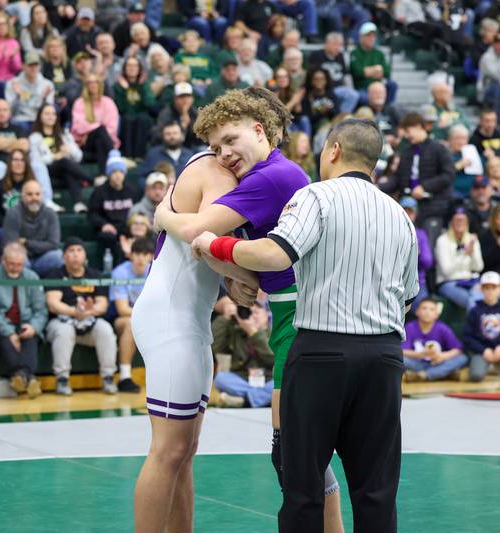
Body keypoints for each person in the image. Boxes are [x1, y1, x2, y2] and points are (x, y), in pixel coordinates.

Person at [191, 118, 418, 531]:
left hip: (322, 354)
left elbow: (276, 254)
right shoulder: (399, 215)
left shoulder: (316, 196)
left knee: (302, 486)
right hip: (385, 357)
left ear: (332, 150)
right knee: (376, 490)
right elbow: (407, 296)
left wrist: (214, 243)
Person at [153, 88, 346, 532]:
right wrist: (243, 280)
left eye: (231, 139)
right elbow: (260, 254)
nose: (223, 154)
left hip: (299, 321)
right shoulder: (276, 175)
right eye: (216, 147)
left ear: (260, 130)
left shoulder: (271, 178)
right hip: (288, 314)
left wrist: (163, 213)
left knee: (295, 453)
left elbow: (197, 231)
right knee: (297, 452)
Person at [45, 237, 118, 396]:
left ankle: (108, 377)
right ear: (64, 256)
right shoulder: (56, 275)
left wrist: (88, 312)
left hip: (88, 321)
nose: (75, 255)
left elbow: (102, 304)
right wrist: (74, 312)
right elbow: (53, 303)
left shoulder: (94, 274)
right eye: (71, 251)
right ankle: (62, 379)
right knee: (64, 331)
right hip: (60, 322)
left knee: (105, 329)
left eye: (79, 251)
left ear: (85, 255)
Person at [0, 242, 46, 399]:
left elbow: (41, 310)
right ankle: (30, 377)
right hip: (1, 326)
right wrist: (9, 333)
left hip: (25, 323)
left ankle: (19, 376)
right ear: (3, 260)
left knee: (30, 339)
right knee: (4, 340)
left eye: (19, 265)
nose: (15, 268)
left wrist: (34, 327)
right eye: (11, 264)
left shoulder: (32, 277)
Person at [386, 112, 454, 245]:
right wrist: (378, 187)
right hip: (408, 209)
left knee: (427, 249)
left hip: (433, 207)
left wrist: (425, 187)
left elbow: (448, 175)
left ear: (418, 127)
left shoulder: (439, 149)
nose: (406, 135)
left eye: (408, 130)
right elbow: (398, 179)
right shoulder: (406, 152)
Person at [109, 237, 155, 393]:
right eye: (137, 254)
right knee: (131, 323)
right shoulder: (120, 272)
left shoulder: (155, 271)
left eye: (145, 254)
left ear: (151, 256)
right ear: (131, 255)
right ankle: (125, 377)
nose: (141, 258)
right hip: (121, 320)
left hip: (148, 317)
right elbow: (122, 309)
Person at [212, 301, 275, 407]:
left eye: (256, 312)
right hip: (243, 379)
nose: (252, 316)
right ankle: (262, 398)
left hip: (269, 379)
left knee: (282, 383)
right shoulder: (237, 332)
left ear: (266, 314)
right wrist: (225, 318)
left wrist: (254, 333)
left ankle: (244, 401)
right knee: (220, 379)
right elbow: (216, 346)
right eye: (249, 313)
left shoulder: (274, 332)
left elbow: (273, 359)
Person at [29, 103, 89, 213]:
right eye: (47, 114)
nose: (50, 116)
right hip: (47, 174)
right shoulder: (34, 137)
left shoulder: (64, 135)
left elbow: (79, 157)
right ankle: (91, 179)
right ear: (40, 116)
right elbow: (35, 162)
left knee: (68, 171)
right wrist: (55, 157)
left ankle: (78, 204)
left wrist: (70, 150)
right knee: (64, 162)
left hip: (64, 173)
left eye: (53, 114)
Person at [2, 180, 64, 276]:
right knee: (16, 258)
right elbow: (11, 245)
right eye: (29, 194)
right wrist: (41, 246)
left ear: (42, 196)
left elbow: (53, 244)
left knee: (58, 256)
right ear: (22, 197)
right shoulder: (13, 213)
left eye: (37, 194)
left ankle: (50, 288)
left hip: (43, 258)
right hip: (21, 258)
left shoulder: (51, 214)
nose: (34, 198)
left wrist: (26, 242)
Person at [402, 297, 468, 382]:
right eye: (424, 308)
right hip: (417, 363)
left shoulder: (442, 328)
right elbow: (402, 351)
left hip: (437, 362)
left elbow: (458, 350)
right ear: (417, 312)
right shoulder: (409, 327)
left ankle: (424, 375)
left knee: (463, 358)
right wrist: (422, 354)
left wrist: (441, 356)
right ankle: (442, 374)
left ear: (436, 314)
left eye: (431, 309)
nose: (427, 312)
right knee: (400, 359)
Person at [88, 154, 135, 266]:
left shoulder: (131, 190)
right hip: (109, 229)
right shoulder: (99, 192)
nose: (118, 175)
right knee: (107, 237)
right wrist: (104, 225)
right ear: (109, 174)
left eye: (120, 172)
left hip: (127, 228)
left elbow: (137, 211)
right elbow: (92, 214)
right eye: (114, 172)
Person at [71, 73, 120, 178]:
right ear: (86, 86)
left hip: (103, 140)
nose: (93, 85)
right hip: (85, 142)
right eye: (90, 83)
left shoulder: (108, 102)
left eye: (95, 82)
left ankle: (103, 175)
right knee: (101, 129)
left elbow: (112, 128)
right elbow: (78, 126)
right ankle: (115, 157)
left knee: (100, 139)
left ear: (100, 85)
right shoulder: (79, 103)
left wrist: (92, 129)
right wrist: (97, 127)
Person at [435, 207, 484, 310]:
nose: (460, 223)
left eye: (462, 220)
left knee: (484, 298)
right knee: (472, 303)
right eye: (457, 220)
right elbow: (446, 271)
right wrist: (464, 254)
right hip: (449, 282)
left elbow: (478, 267)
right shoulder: (442, 240)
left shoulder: (472, 239)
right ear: (451, 222)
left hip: (470, 281)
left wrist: (473, 253)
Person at [4, 51, 55, 131]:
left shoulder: (48, 84)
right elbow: (10, 111)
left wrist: (44, 100)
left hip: (40, 120)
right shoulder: (12, 83)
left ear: (40, 66)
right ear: (23, 66)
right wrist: (17, 96)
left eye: (36, 65)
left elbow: (49, 112)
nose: (33, 68)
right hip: (20, 119)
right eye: (30, 65)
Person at [350, 22, 395, 105]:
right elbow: (358, 72)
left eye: (373, 36)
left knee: (392, 85)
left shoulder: (379, 53)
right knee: (363, 97)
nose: (371, 38)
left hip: (379, 85)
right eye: (368, 35)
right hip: (363, 86)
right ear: (361, 36)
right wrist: (377, 70)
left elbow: (386, 72)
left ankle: (388, 110)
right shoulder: (355, 53)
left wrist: (368, 71)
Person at [400, 196, 433, 307]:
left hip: (417, 280)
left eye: (411, 211)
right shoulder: (391, 230)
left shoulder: (420, 234)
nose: (407, 214)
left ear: (415, 214)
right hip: (395, 279)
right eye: (404, 210)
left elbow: (428, 262)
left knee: (423, 307)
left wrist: (417, 254)